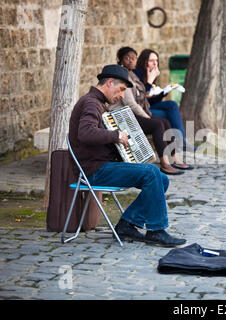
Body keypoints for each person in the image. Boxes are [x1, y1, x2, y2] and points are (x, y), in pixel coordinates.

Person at [68, 64, 187, 247]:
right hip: (93, 170)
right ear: (109, 83)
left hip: (101, 166)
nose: (122, 95)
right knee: (151, 172)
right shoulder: (91, 103)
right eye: (121, 89)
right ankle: (156, 231)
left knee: (162, 179)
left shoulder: (98, 103)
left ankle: (127, 224)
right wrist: (117, 135)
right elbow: (86, 133)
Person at [110, 47, 193, 175]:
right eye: (127, 58)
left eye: (133, 58)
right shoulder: (122, 76)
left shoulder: (132, 75)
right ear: (121, 60)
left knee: (165, 122)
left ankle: (174, 158)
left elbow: (142, 97)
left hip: (133, 114)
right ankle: (164, 163)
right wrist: (147, 117)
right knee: (157, 124)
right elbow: (131, 103)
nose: (131, 61)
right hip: (125, 116)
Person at [134, 49, 197, 152]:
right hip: (140, 110)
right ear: (144, 61)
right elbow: (141, 99)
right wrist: (150, 81)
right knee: (168, 115)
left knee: (172, 104)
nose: (155, 63)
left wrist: (164, 92)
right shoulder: (138, 74)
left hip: (148, 106)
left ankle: (182, 141)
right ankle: (179, 142)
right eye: (151, 61)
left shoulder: (151, 73)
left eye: (156, 60)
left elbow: (151, 101)